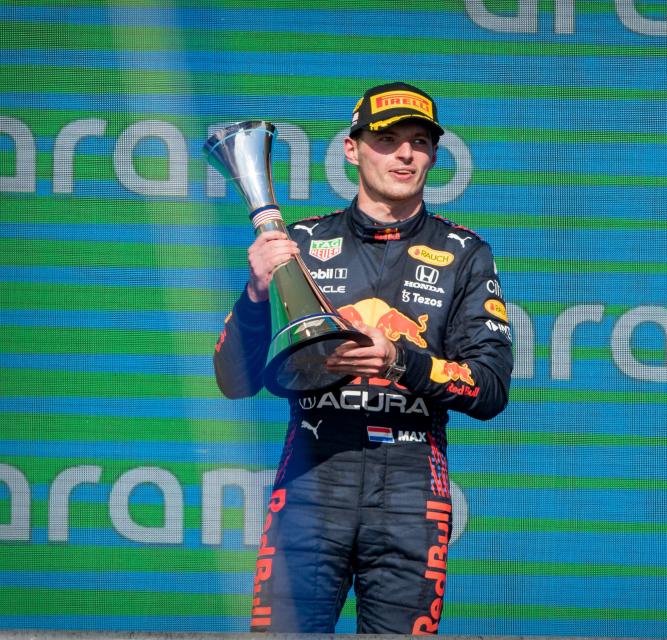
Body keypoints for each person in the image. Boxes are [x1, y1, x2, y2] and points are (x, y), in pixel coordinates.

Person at [212, 82, 513, 635]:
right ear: (352, 149)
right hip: (310, 480)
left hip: (410, 492)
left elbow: (490, 387)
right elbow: (234, 380)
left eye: (419, 142)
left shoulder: (465, 253)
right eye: (387, 139)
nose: (405, 154)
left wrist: (401, 361)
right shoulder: (298, 242)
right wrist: (255, 294)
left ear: (433, 155)